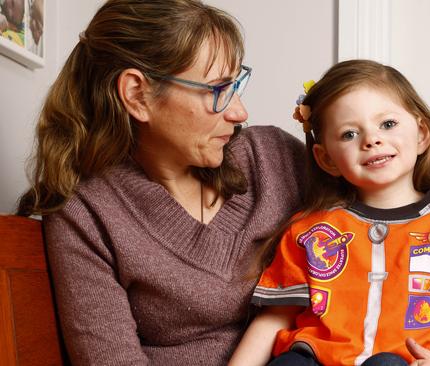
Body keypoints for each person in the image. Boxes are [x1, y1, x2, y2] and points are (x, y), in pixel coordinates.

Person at [16, 0, 307, 364]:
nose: (239, 112)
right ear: (137, 95)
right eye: (217, 90)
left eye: (236, 85)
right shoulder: (86, 213)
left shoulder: (275, 157)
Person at [229, 60, 430, 366]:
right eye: (349, 134)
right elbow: (273, 320)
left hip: (399, 359)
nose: (371, 140)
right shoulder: (309, 229)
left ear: (421, 134)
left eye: (387, 124)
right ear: (326, 159)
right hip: (314, 357)